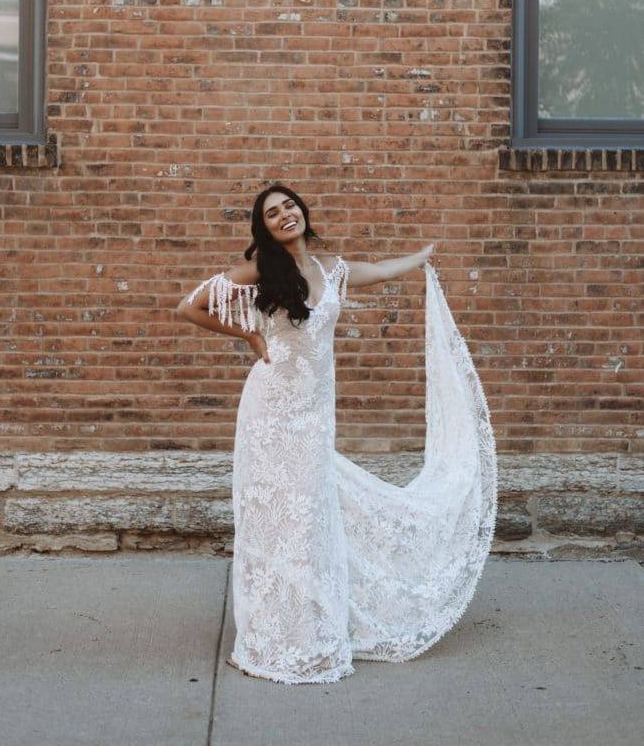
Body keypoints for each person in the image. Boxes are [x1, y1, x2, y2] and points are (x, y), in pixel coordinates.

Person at [177, 184, 497, 685]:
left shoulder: (331, 270)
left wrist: (421, 258)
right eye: (272, 213)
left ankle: (310, 626)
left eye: (290, 206)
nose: (285, 216)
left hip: (314, 411)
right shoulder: (263, 270)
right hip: (271, 411)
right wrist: (249, 334)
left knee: (311, 518)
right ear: (263, 228)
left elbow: (381, 270)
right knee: (280, 520)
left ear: (302, 212)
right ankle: (273, 636)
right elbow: (190, 306)